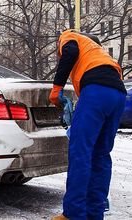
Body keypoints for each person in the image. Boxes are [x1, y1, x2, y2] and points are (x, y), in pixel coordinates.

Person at [50, 30, 126, 220]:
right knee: (101, 155)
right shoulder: (100, 54)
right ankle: (95, 213)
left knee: (80, 153)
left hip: (95, 92)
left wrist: (57, 88)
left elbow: (69, 52)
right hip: (118, 95)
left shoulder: (69, 36)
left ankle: (73, 214)